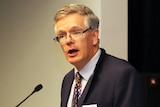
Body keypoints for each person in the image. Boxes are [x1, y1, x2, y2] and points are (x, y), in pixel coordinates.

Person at [53, 4, 143, 107]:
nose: (68, 40)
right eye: (62, 35)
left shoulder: (121, 75)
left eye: (76, 32)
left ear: (94, 36)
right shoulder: (68, 80)